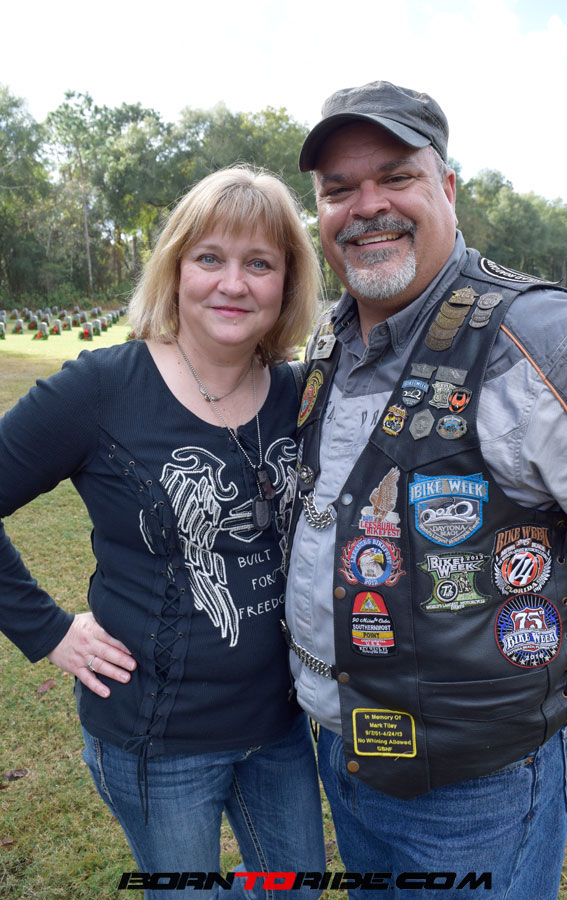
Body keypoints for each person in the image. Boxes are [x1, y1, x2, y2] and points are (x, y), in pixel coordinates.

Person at [284, 81, 567, 899]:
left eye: (396, 177)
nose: (367, 207)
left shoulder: (548, 338)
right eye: (339, 190)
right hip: (346, 747)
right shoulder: (332, 339)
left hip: (479, 782)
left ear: (448, 187)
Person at [0, 165, 325, 899]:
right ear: (176, 268)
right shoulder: (100, 388)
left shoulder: (298, 395)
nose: (233, 284)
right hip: (156, 739)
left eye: (259, 263)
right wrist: (47, 630)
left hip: (279, 725)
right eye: (210, 258)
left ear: (287, 284)